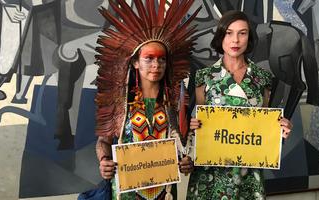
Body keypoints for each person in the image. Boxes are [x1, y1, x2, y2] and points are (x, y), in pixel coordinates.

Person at [94, 0, 200, 199]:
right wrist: (104, 160)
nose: (156, 65)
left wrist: (187, 162)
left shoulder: (175, 103)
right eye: (149, 58)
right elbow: (103, 141)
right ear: (135, 62)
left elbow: (183, 148)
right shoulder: (119, 102)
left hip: (166, 192)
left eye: (161, 59)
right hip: (127, 191)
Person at [187, 10, 293, 200]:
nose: (235, 40)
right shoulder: (204, 77)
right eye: (229, 33)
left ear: (249, 38)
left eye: (242, 33)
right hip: (211, 173)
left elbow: (264, 125)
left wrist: (280, 130)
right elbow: (196, 129)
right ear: (220, 37)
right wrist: (193, 126)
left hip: (248, 173)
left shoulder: (263, 79)